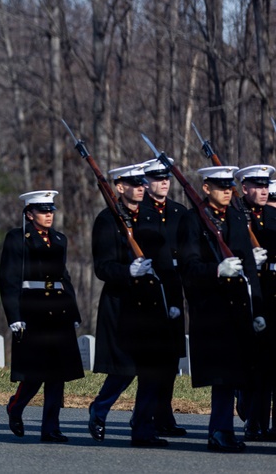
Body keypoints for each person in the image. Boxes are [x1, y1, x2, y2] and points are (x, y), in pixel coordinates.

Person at [88, 164, 178, 447]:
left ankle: (143, 429)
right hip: (122, 305)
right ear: (119, 187)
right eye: (133, 183)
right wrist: (129, 271)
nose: (141, 187)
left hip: (152, 306)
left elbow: (167, 264)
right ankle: (99, 408)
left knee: (152, 370)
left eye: (142, 183)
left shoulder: (151, 217)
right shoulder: (107, 220)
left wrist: (173, 301)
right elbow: (102, 268)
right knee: (124, 370)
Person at [176, 166, 266, 452]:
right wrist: (217, 269)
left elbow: (250, 268)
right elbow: (188, 269)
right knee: (223, 376)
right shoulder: (192, 221)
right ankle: (219, 432)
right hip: (212, 309)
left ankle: (230, 427)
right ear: (206, 188)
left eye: (229, 186)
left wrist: (259, 308)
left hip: (240, 307)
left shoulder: (237, 217)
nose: (227, 190)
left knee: (243, 371)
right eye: (220, 185)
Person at [0, 190, 83, 442]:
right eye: (43, 211)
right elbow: (9, 279)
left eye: (51, 211)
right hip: (32, 309)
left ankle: (51, 428)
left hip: (58, 311)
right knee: (35, 373)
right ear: (29, 213)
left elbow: (63, 278)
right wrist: (14, 316)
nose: (49, 215)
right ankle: (16, 406)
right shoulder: (17, 238)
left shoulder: (59, 239)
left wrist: (74, 311)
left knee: (57, 374)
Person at [137, 157, 189, 437]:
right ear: (145, 183)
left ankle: (164, 414)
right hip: (150, 288)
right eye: (158, 179)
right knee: (153, 360)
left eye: (167, 178)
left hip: (173, 286)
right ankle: (147, 414)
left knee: (171, 358)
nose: (164, 183)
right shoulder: (139, 212)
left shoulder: (179, 212)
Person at [233, 165, 276, 441]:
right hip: (251, 298)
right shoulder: (237, 217)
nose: (263, 190)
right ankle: (253, 421)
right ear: (244, 188)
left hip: (273, 297)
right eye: (257, 186)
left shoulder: (274, 215)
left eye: (266, 185)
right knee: (256, 367)